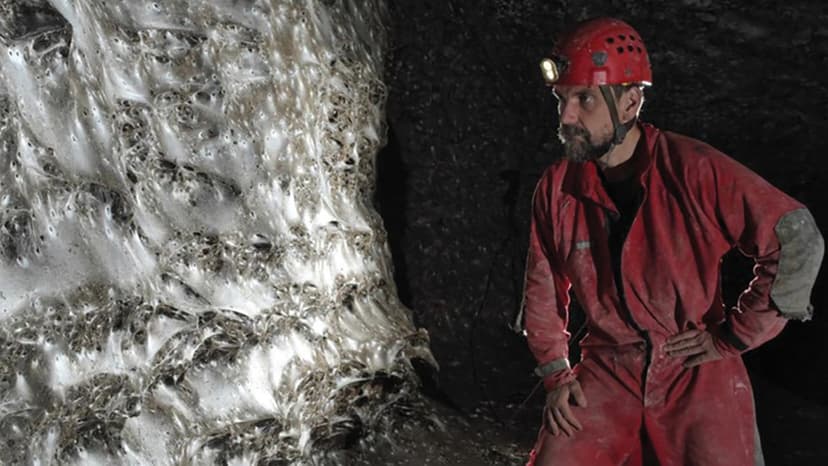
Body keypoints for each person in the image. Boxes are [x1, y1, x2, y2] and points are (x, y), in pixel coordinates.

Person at [520, 17, 824, 466]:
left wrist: (735, 337)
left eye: (584, 99)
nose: (566, 117)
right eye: (561, 100)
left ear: (629, 103)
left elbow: (796, 236)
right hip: (608, 365)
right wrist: (555, 374)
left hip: (692, 365)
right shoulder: (558, 187)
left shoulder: (692, 169)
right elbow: (542, 289)